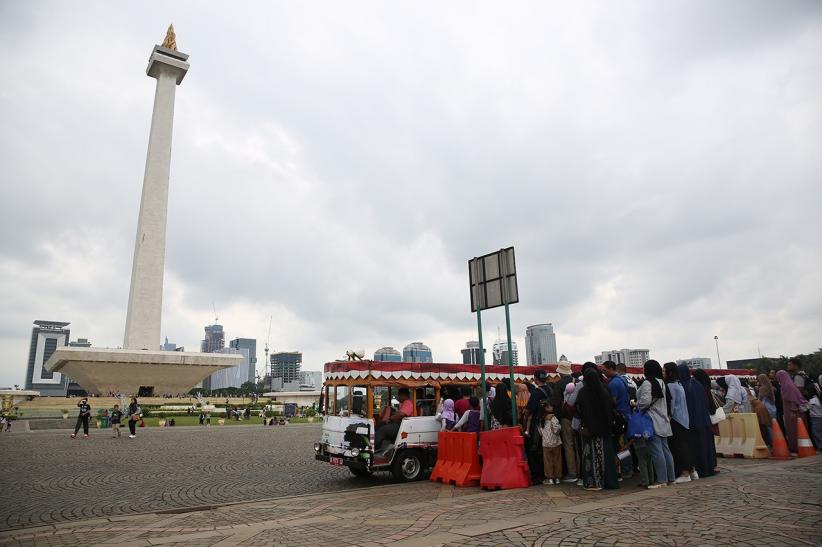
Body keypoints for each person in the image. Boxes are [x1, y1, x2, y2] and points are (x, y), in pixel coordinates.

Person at [576, 368, 619, 491]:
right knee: (606, 456)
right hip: (605, 429)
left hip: (590, 430)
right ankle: (609, 481)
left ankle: (593, 482)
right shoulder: (604, 390)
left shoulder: (583, 393)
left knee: (590, 455)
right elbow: (610, 408)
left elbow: (580, 411)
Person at [638, 360, 674, 488]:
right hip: (663, 419)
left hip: (652, 420)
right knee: (666, 450)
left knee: (656, 451)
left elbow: (645, 401)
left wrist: (637, 404)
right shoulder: (661, 382)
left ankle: (661, 479)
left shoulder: (648, 383)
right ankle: (670, 477)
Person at [603, 360, 633, 479]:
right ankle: (627, 468)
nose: (604, 372)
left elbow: (613, 400)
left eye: (605, 370)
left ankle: (626, 469)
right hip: (626, 415)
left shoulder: (613, 383)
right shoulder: (622, 380)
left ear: (611, 368)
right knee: (624, 443)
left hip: (620, 417)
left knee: (621, 445)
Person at [663, 362, 692, 483]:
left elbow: (672, 405)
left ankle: (685, 473)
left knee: (679, 447)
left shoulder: (670, 386)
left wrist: (667, 418)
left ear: (669, 372)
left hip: (676, 419)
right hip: (685, 419)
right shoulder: (679, 384)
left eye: (664, 371)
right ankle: (691, 470)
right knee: (686, 446)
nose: (662, 373)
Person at [552, 359, 577, 483]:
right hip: (578, 418)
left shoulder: (559, 384)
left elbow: (555, 403)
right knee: (578, 444)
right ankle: (581, 470)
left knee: (568, 444)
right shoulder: (577, 382)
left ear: (560, 372)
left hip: (566, 418)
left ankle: (572, 472)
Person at [692, 369, 719, 474]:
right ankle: (713, 465)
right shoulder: (706, 388)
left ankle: (709, 465)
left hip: (703, 419)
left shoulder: (700, 388)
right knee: (710, 444)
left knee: (705, 444)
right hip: (708, 420)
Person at [775, 370, 807, 455]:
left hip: (792, 411)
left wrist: (793, 411)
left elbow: (794, 398)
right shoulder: (786, 385)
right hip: (788, 410)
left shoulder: (788, 386)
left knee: (793, 429)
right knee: (790, 429)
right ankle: (794, 447)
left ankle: (796, 447)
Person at [539, 401, 563, 485]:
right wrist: (559, 428)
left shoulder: (541, 419)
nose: (552, 407)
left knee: (547, 461)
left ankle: (549, 478)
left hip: (545, 443)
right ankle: (557, 477)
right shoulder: (553, 417)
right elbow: (556, 429)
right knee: (557, 460)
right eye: (550, 406)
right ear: (546, 408)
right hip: (555, 442)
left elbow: (540, 432)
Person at [807, 386, 822, 452]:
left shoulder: (813, 400)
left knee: (816, 433)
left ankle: (820, 446)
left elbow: (807, 407)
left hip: (816, 417)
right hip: (820, 416)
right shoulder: (818, 398)